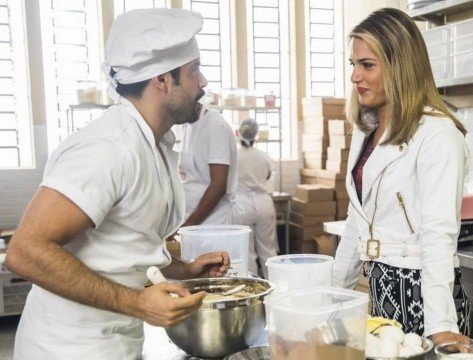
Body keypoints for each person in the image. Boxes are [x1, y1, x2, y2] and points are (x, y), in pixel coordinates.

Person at [5, 9, 230, 359]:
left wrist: (182, 270)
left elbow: (120, 251)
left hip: (115, 342)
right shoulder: (107, 148)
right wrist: (140, 303)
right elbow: (25, 252)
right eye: (193, 70)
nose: (202, 82)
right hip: (67, 349)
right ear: (162, 80)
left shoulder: (153, 145)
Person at [332, 8, 472, 346]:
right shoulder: (366, 130)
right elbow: (357, 221)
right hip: (382, 290)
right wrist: (333, 297)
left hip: (424, 294)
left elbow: (438, 235)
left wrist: (440, 325)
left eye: (367, 65)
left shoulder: (437, 133)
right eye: (353, 65)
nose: (355, 77)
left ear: (400, 66)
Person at [179, 98, 238, 226]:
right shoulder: (188, 125)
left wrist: (187, 226)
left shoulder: (215, 126)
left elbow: (218, 186)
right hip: (193, 220)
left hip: (211, 224)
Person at [232, 118, 278, 276]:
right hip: (263, 204)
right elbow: (269, 177)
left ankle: (251, 291)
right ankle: (275, 289)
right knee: (268, 251)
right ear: (255, 135)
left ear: (238, 133)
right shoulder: (263, 156)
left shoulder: (234, 156)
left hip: (241, 205)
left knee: (246, 253)